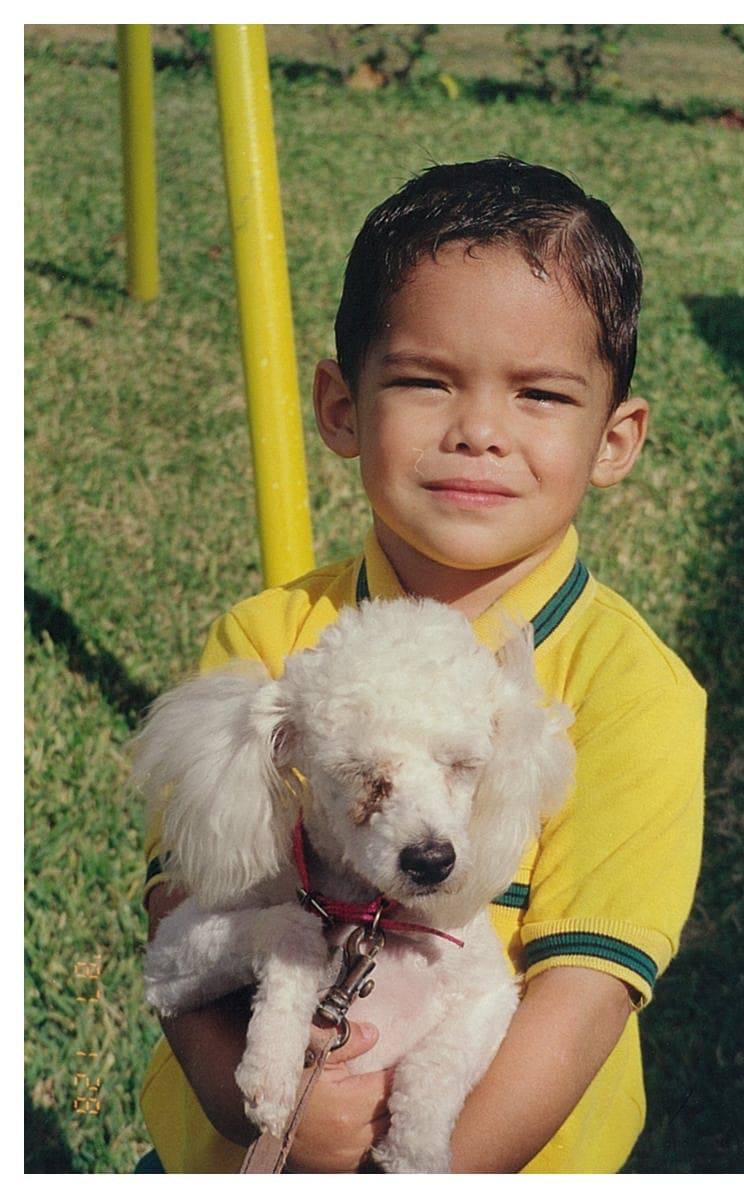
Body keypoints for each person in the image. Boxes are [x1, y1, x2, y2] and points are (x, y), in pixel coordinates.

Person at [138, 157, 705, 1174]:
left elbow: (580, 1002)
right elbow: (185, 903)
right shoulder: (267, 638)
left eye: (539, 393)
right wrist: (249, 1102)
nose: (478, 430)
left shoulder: (632, 689)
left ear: (615, 439)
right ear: (341, 405)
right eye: (425, 379)